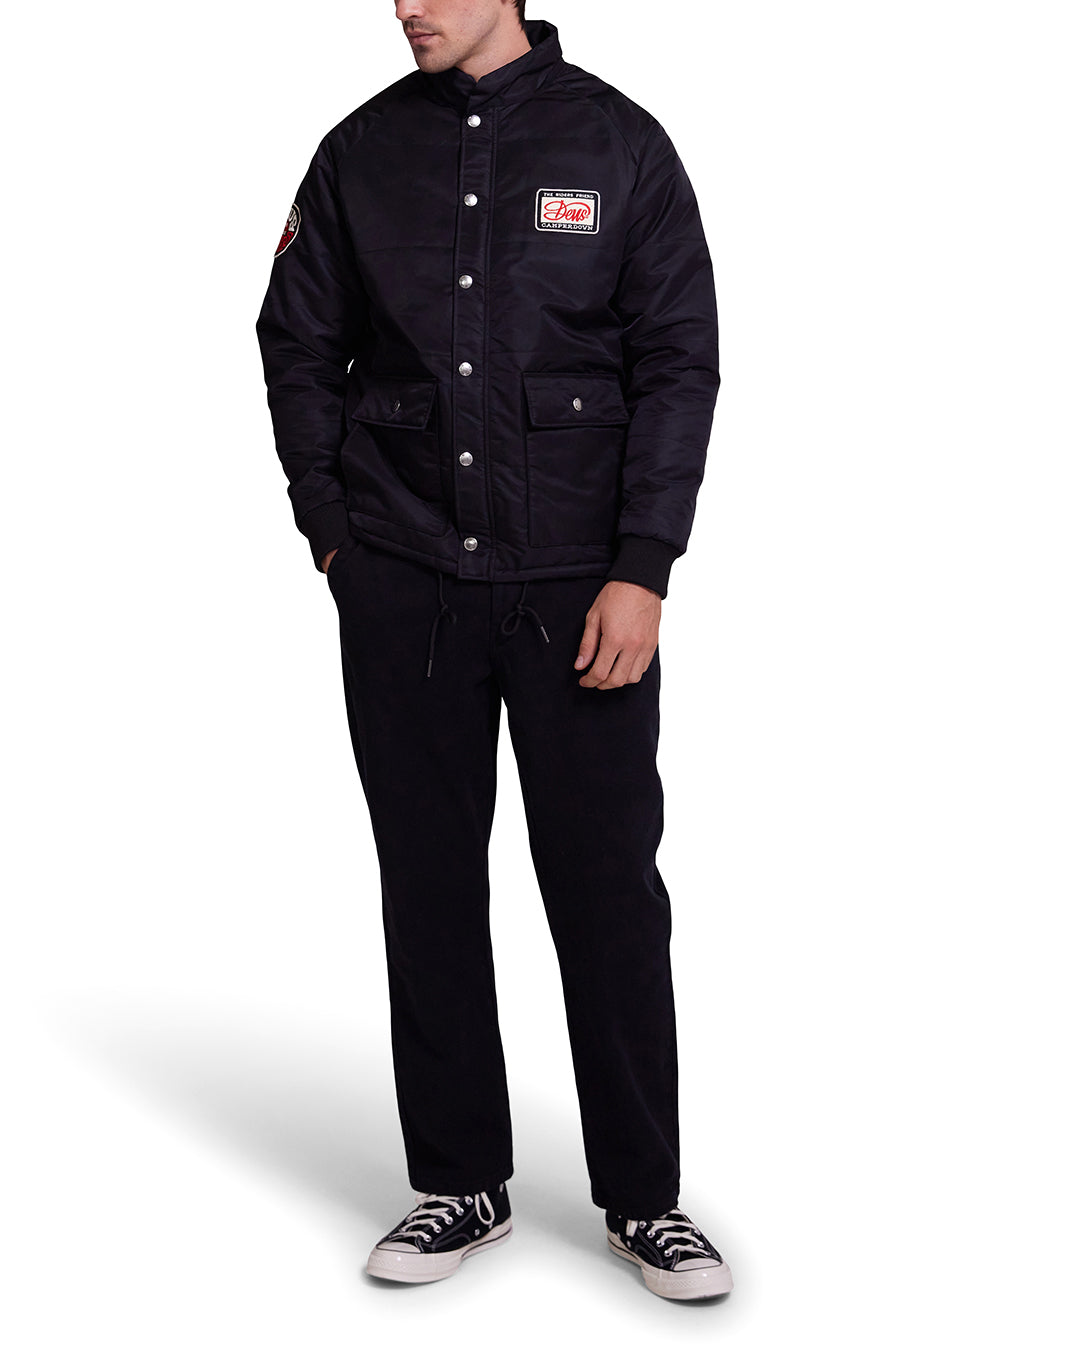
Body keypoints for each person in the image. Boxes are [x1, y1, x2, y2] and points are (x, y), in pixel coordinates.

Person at [255, 1, 731, 1301]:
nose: (404, 5)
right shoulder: (358, 154)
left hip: (580, 585)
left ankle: (645, 1197)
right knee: (427, 883)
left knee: (607, 889)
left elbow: (678, 361)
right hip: (403, 578)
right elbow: (296, 341)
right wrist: (334, 535)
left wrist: (643, 566)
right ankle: (459, 1181)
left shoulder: (619, 146)